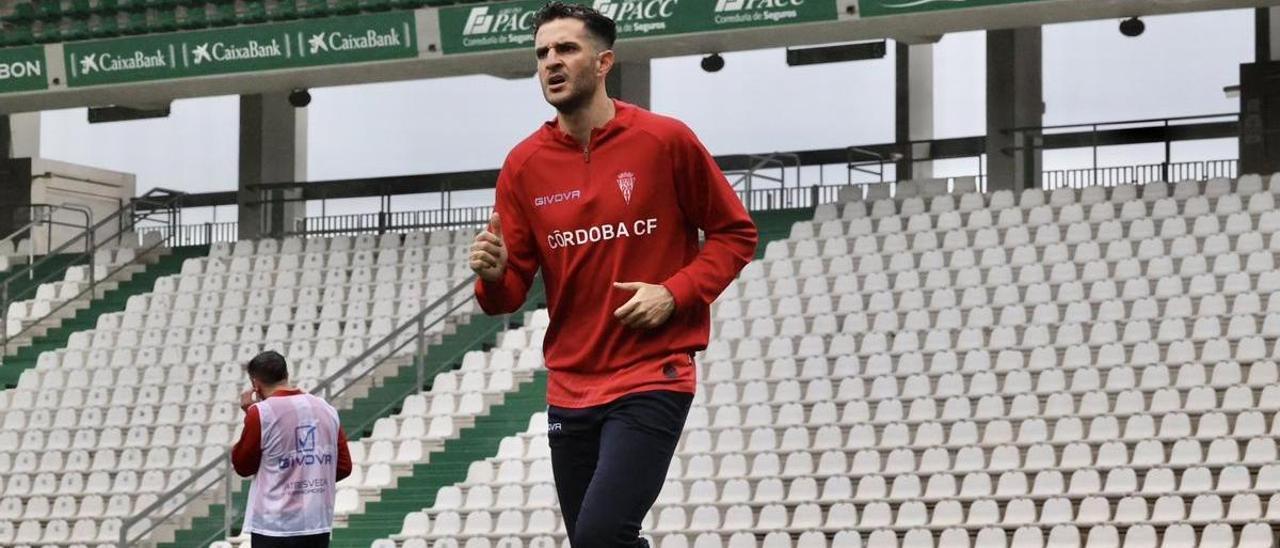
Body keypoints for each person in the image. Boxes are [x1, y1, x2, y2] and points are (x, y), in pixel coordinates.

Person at [469, 3, 758, 546]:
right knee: (593, 542)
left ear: (604, 62)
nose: (550, 62)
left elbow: (735, 234)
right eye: (541, 53)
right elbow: (506, 297)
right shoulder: (523, 164)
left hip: (652, 374)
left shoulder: (664, 140)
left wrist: (674, 294)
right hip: (569, 386)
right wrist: (491, 274)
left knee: (603, 533)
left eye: (566, 49)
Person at [232, 350, 354, 548]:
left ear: (255, 384)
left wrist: (249, 414)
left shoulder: (260, 413)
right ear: (286, 375)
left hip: (275, 526)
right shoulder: (326, 409)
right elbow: (343, 467)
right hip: (317, 523)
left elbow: (243, 466)